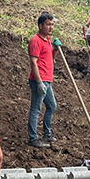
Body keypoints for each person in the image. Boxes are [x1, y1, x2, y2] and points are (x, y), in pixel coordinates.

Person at [27, 13, 62, 148]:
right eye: (48, 24)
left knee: (52, 106)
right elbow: (33, 62)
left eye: (52, 24)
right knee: (36, 109)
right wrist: (39, 82)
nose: (51, 27)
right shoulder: (35, 41)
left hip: (47, 80)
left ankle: (47, 134)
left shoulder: (47, 40)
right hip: (39, 80)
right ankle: (33, 138)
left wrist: (55, 49)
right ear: (40, 25)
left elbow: (50, 59)